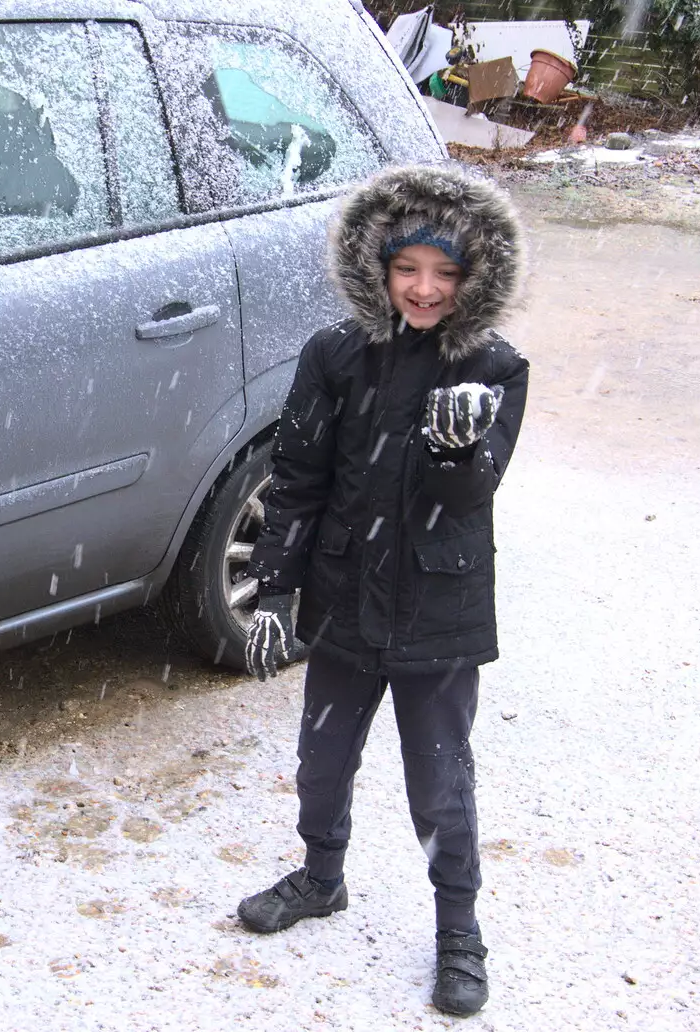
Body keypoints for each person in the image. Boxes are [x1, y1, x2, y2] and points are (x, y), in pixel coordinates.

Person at [236, 163, 528, 1017]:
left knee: (439, 782)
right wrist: (276, 593)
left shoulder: (495, 369)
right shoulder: (333, 356)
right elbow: (296, 479)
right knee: (321, 762)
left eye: (446, 273)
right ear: (379, 267)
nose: (426, 289)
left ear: (475, 279)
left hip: (440, 613)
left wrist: (453, 451)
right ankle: (321, 876)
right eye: (408, 269)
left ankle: (459, 932)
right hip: (341, 602)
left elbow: (471, 496)